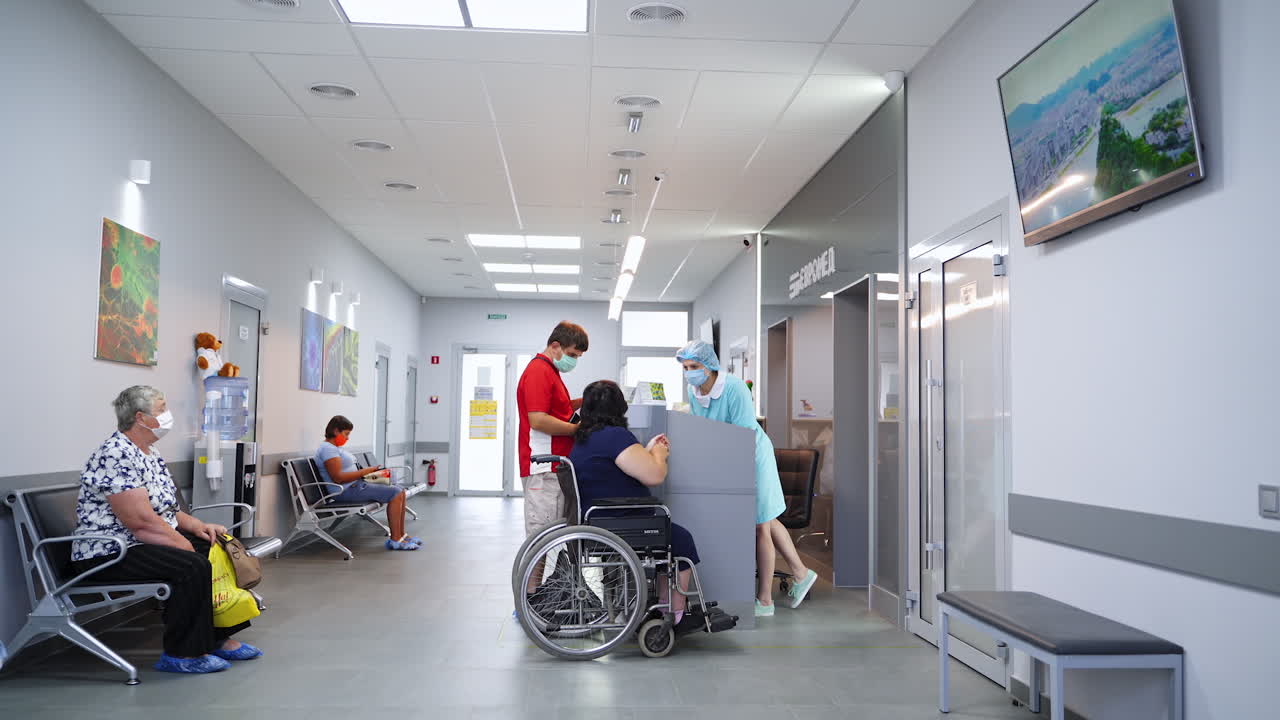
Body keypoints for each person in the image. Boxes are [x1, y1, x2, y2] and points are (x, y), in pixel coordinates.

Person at [69, 385, 262, 674]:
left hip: (137, 542)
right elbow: (140, 522)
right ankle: (181, 654)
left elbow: (167, 510)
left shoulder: (149, 452)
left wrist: (198, 526)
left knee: (215, 546)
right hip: (108, 551)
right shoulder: (115, 454)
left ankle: (218, 638)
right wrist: (181, 544)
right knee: (192, 565)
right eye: (161, 409)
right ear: (140, 417)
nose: (167, 415)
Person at [675, 340, 818, 617]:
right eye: (686, 367)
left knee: (760, 526)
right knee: (767, 518)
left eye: (695, 366)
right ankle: (800, 573)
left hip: (751, 457)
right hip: (728, 458)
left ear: (710, 365)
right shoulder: (695, 391)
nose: (690, 372)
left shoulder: (734, 388)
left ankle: (765, 600)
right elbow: (701, 428)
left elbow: (743, 435)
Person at [568, 380, 700, 628]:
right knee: (681, 541)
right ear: (620, 409)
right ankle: (675, 612)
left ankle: (663, 606)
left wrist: (646, 450)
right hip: (623, 525)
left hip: (597, 522)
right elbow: (654, 475)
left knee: (669, 537)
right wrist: (659, 455)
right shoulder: (614, 436)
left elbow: (622, 463)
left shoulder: (585, 438)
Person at [516, 321, 588, 594]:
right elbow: (538, 419)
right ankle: (529, 600)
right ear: (555, 346)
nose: (574, 360)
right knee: (540, 539)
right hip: (544, 466)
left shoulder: (552, 372)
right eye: (573, 354)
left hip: (556, 466)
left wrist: (585, 400)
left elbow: (556, 409)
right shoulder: (538, 371)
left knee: (546, 538)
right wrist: (576, 429)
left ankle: (532, 597)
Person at [315, 415, 420, 550]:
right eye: (346, 434)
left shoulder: (334, 448)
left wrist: (371, 473)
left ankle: (402, 535)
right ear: (336, 431)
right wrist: (366, 472)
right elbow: (338, 478)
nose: (347, 438)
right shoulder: (328, 449)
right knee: (395, 492)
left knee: (399, 489)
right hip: (345, 490)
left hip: (355, 484)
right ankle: (395, 540)